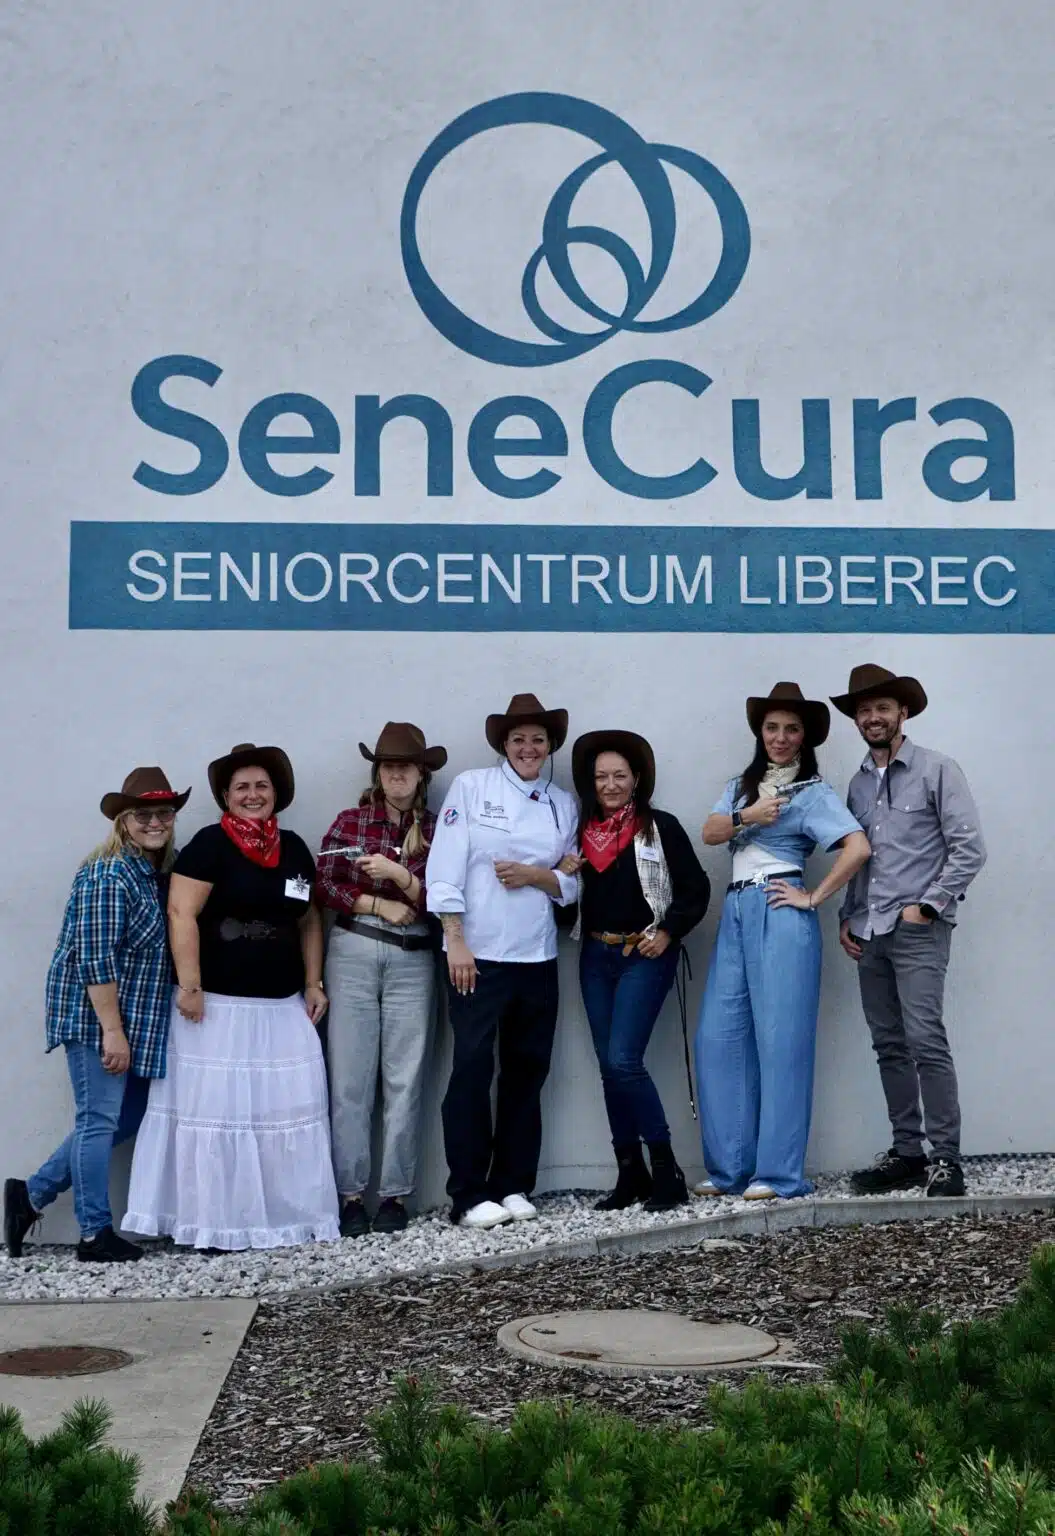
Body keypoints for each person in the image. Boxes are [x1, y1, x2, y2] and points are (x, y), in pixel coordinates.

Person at [124, 743, 339, 1250]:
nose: (252, 794)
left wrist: (313, 982)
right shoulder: (208, 845)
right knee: (218, 1117)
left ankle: (281, 1219)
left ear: (276, 793)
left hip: (281, 1008)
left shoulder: (294, 849)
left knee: (282, 1113)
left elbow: (309, 920)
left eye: (261, 785)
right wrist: (190, 986)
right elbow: (180, 914)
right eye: (242, 787)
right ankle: (212, 1224)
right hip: (216, 1010)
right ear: (226, 795)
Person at [3, 768, 189, 1264]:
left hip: (131, 1017)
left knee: (123, 1115)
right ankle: (93, 1235)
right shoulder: (108, 874)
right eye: (143, 815)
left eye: (164, 813)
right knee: (99, 1118)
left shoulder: (150, 872)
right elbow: (95, 958)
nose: (155, 822)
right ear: (123, 821)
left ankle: (30, 1195)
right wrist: (112, 1031)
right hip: (95, 1016)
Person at [695, 683, 870, 1200]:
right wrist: (749, 815)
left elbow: (858, 847)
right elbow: (710, 832)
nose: (780, 737)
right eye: (772, 727)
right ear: (760, 732)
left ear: (804, 737)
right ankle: (730, 1169)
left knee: (781, 1041)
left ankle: (777, 1174)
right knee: (719, 1038)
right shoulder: (740, 787)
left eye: (792, 729)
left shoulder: (812, 791)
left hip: (780, 908)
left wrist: (813, 897)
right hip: (736, 910)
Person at [832, 664, 986, 1198]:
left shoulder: (938, 770)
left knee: (926, 1040)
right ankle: (908, 1154)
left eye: (882, 708)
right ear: (856, 720)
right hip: (868, 931)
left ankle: (946, 1159)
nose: (873, 717)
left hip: (917, 929)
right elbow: (858, 858)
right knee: (889, 1045)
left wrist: (928, 906)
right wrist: (848, 915)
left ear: (902, 713)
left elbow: (969, 849)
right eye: (864, 710)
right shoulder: (857, 784)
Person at [426, 693, 578, 1229]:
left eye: (538, 739)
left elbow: (570, 882)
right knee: (471, 1068)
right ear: (504, 745)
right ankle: (468, 1193)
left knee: (527, 1071)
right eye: (518, 739)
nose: (528, 748)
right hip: (477, 955)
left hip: (537, 955)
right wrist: (455, 938)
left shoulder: (562, 802)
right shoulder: (472, 787)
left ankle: (513, 1182)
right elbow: (444, 867)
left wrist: (540, 876)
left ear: (550, 745)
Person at [564, 730, 710, 1212]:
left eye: (619, 776)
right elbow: (567, 907)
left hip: (644, 954)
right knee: (610, 1068)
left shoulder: (659, 827)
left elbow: (696, 888)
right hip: (595, 956)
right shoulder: (581, 835)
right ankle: (630, 1172)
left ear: (637, 779)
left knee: (624, 1060)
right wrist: (562, 875)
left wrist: (668, 931)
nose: (610, 785)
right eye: (601, 776)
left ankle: (667, 1170)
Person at [316, 722, 446, 1238]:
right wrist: (374, 903)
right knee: (349, 1078)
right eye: (388, 765)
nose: (397, 773)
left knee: (405, 1078)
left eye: (405, 766)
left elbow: (446, 897)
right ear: (378, 772)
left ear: (421, 774)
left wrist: (399, 878)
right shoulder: (350, 821)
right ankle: (350, 1195)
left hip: (414, 956)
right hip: (353, 948)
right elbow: (322, 883)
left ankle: (395, 1194)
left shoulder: (438, 828)